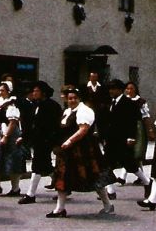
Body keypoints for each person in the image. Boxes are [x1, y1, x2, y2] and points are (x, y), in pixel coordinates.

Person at [48, 87, 114, 217]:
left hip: (83, 150)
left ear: (79, 99)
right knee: (62, 178)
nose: (72, 100)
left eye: (74, 98)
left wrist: (69, 141)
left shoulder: (85, 111)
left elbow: (83, 130)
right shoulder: (67, 111)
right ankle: (59, 209)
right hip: (67, 152)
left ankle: (107, 204)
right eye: (70, 98)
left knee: (94, 178)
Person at [18, 80, 62, 204]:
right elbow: (33, 125)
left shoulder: (52, 106)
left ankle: (30, 194)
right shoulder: (36, 105)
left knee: (37, 166)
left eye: (36, 91)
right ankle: (63, 186)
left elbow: (54, 125)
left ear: (43, 92)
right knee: (46, 166)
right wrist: (24, 136)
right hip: (38, 140)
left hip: (46, 141)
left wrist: (54, 142)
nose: (34, 93)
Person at [102, 79, 144, 201]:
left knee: (129, 164)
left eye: (114, 89)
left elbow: (133, 122)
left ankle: (147, 182)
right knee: (106, 164)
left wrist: (131, 137)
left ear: (120, 90)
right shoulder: (111, 103)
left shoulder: (128, 103)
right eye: (110, 89)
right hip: (112, 139)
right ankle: (110, 191)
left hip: (123, 138)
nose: (111, 91)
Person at [0, 81, 25, 196]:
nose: (0, 92)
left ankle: (15, 188)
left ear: (8, 91)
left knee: (12, 159)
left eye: (3, 90)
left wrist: (6, 136)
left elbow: (12, 122)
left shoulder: (11, 104)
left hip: (9, 132)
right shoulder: (0, 102)